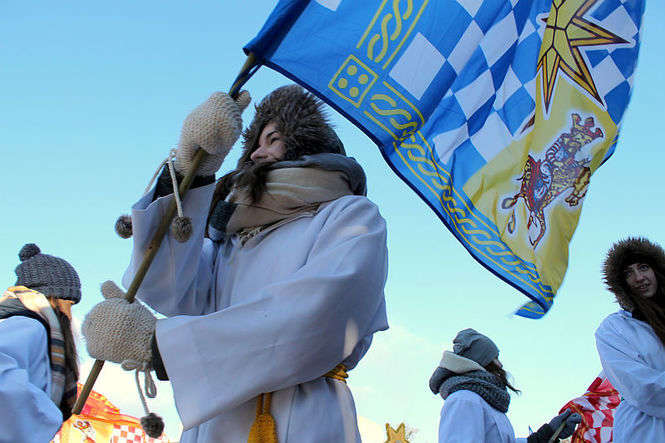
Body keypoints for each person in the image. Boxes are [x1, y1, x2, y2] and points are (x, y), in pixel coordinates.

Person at [82, 85, 389, 442]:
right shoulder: (232, 237)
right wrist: (191, 170)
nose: (257, 152)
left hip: (300, 421)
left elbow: (324, 316)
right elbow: (170, 288)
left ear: (308, 146)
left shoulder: (351, 215)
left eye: (273, 139)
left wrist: (161, 347)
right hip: (213, 423)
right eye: (254, 143)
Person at [429, 328, 580, 442]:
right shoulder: (464, 400)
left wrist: (548, 432)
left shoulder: (482, 401)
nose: (500, 365)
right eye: (495, 358)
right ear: (482, 361)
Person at [0, 243, 81, 442]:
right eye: (69, 304)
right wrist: (48, 415)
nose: (70, 315)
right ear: (55, 298)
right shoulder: (27, 325)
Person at [595, 237, 665, 441]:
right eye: (628, 273)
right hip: (645, 432)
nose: (639, 277)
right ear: (621, 284)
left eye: (643, 267)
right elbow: (643, 388)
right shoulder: (613, 329)